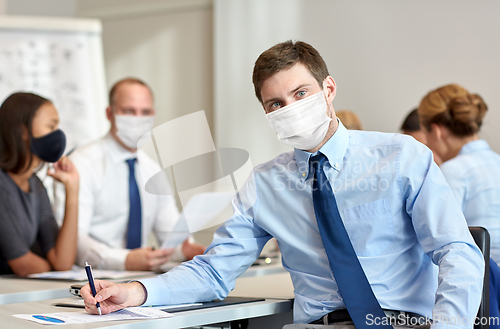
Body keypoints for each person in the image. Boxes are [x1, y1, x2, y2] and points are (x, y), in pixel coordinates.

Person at [82, 42, 484, 328]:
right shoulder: (264, 183)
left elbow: (456, 251)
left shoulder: (401, 156)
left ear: (328, 90)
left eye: (301, 93)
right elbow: (213, 271)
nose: (289, 109)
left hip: (405, 324)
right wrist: (136, 291)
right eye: (275, 104)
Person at [64, 78, 205, 271]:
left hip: (141, 279)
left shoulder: (152, 170)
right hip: (90, 280)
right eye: (129, 111)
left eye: (145, 112)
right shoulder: (82, 164)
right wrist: (125, 260)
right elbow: (73, 239)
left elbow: (170, 235)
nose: (137, 119)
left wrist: (189, 250)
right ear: (109, 113)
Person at [418, 84, 500, 326]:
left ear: (436, 130)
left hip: (487, 288)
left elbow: (442, 239)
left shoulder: (453, 171)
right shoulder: (497, 162)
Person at [0, 92, 79, 276]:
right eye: (51, 126)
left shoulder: (35, 184)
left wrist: (72, 190)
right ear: (23, 131)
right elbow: (23, 264)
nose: (58, 135)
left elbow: (62, 261)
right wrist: (52, 270)